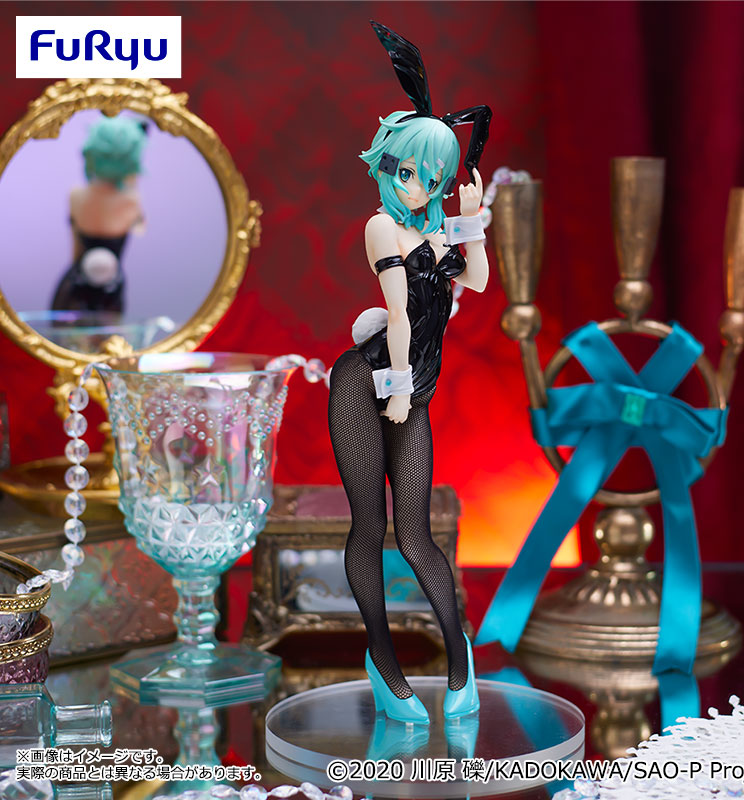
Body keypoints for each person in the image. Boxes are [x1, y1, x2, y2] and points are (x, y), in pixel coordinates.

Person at [327, 22, 491, 725]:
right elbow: (397, 314)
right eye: (404, 171)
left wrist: (471, 220)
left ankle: (460, 661)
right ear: (387, 165)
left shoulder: (437, 228)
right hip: (366, 383)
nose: (415, 184)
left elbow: (476, 283)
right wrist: (395, 389)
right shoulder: (382, 227)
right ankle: (384, 663)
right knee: (369, 526)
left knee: (416, 535)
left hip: (413, 388)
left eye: (429, 176)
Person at [51, 115, 147, 315]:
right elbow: (141, 229)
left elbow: (75, 249)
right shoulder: (132, 202)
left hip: (75, 285)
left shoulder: (76, 196)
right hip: (112, 289)